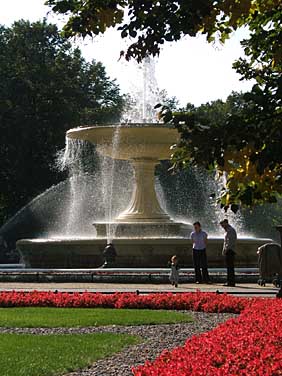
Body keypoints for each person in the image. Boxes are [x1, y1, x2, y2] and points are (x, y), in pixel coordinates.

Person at [220, 219, 237, 287]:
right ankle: (230, 281)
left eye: (223, 225)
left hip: (230, 251)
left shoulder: (231, 230)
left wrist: (226, 249)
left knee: (230, 267)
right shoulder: (228, 230)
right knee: (229, 267)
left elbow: (230, 242)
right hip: (229, 250)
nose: (222, 227)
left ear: (226, 223)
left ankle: (231, 282)